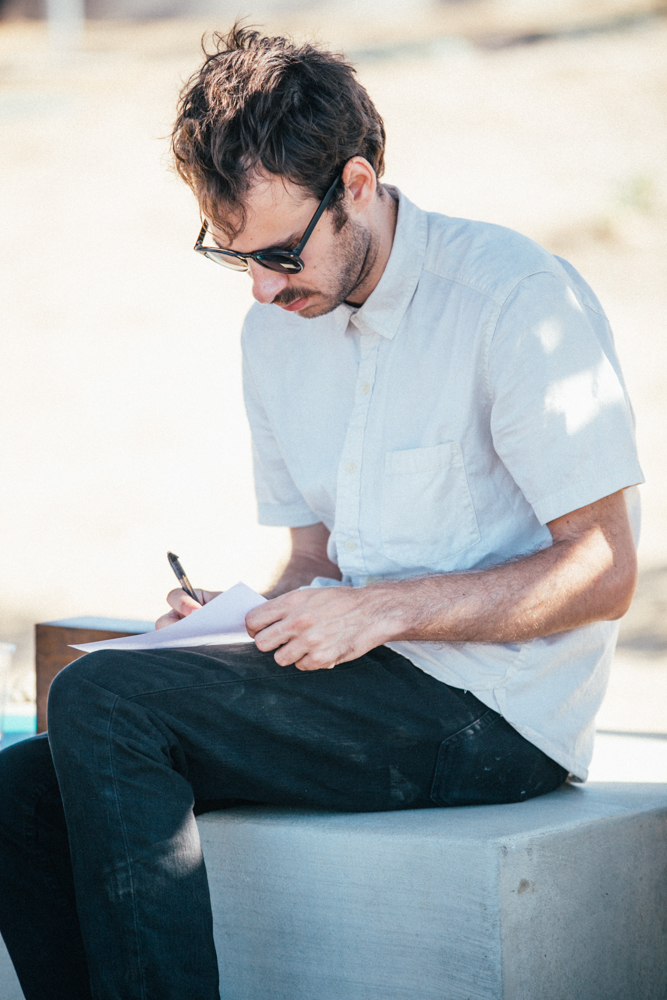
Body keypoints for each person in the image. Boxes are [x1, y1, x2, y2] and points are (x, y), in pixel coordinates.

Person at [0, 25, 643, 1000]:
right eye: (232, 257)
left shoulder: (512, 297)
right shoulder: (275, 333)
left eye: (278, 253)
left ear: (355, 184)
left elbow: (604, 568)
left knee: (101, 701)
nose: (261, 287)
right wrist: (243, 619)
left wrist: (385, 607)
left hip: (497, 714)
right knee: (14, 794)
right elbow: (314, 558)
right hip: (362, 682)